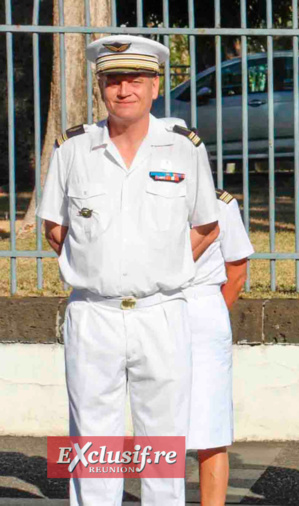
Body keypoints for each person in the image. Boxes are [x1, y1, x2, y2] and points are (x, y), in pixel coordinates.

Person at [36, 35, 220, 505]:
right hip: (93, 314)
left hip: (161, 312)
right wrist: (97, 265)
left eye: (134, 80)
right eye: (113, 80)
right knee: (94, 444)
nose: (124, 90)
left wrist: (165, 265)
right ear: (100, 87)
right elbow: (55, 228)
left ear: (155, 86)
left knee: (162, 442)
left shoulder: (183, 148)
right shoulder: (73, 149)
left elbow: (206, 227)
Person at [185, 185, 254, 506]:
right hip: (151, 309)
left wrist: (211, 311)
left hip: (201, 306)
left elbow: (237, 269)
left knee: (210, 427)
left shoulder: (218, 203)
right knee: (155, 421)